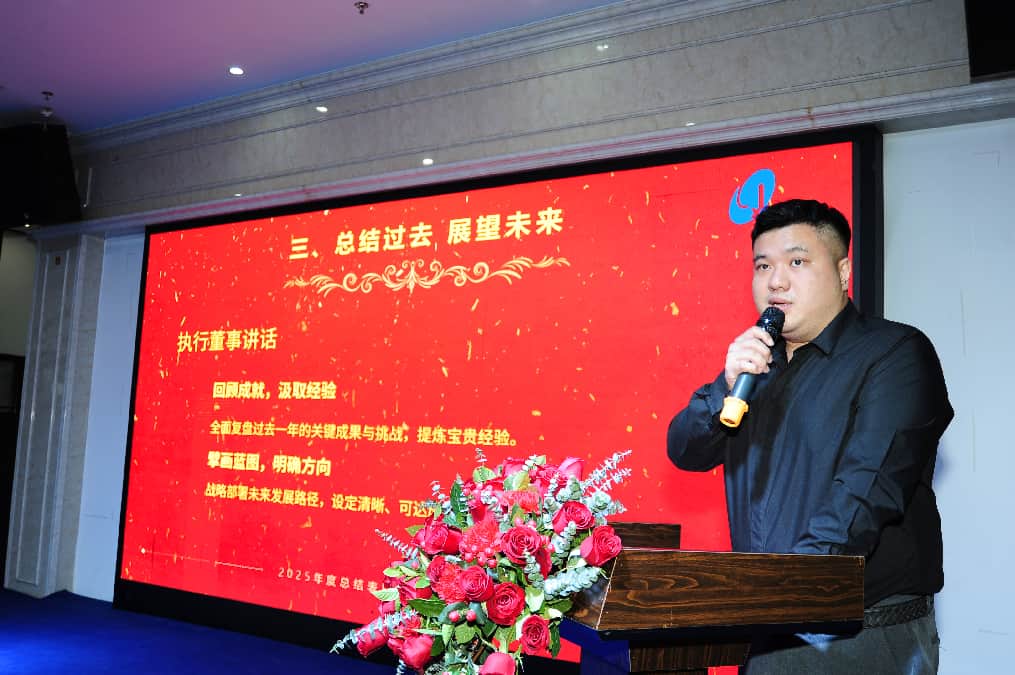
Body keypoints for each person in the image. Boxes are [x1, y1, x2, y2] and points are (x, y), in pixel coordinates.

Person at [666, 199, 952, 674]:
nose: (776, 281)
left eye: (797, 262)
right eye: (763, 266)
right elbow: (684, 449)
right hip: (767, 624)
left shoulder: (894, 354)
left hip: (863, 632)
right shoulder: (755, 369)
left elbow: (864, 494)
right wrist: (725, 387)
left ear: (843, 272)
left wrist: (780, 590)